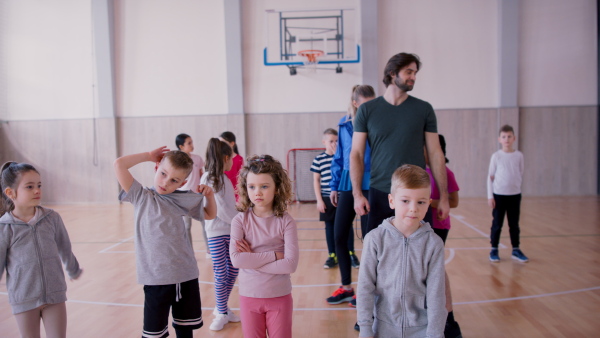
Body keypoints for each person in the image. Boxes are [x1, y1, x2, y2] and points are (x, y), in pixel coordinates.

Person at [114, 146, 217, 338]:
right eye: (163, 174)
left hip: (185, 274)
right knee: (154, 333)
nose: (165, 182)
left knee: (185, 328)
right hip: (155, 278)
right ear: (156, 169)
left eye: (174, 180)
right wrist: (148, 155)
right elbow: (119, 165)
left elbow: (210, 214)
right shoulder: (141, 196)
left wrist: (210, 197)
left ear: (182, 183)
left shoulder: (181, 200)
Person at [350, 53, 450, 237]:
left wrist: (444, 196)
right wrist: (357, 194)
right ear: (392, 73)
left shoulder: (424, 109)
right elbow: (356, 153)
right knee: (378, 255)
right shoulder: (367, 110)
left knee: (419, 253)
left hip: (416, 195)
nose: (413, 77)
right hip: (380, 192)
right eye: (409, 72)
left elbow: (436, 154)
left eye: (415, 73)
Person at [357, 165, 446, 338]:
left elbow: (436, 295)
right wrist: (365, 329)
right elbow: (365, 288)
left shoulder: (434, 244)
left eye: (420, 202)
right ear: (391, 201)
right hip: (382, 329)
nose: (413, 208)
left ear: (429, 203)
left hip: (422, 330)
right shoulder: (375, 239)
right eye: (405, 201)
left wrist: (435, 333)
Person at [0, 162, 83, 338]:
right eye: (29, 187)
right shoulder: (4, 227)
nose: (37, 190)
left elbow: (64, 246)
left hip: (55, 295)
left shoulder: (52, 218)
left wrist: (73, 268)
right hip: (24, 299)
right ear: (10, 193)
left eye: (39, 185)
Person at [230, 155, 299, 338]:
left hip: (279, 296)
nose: (257, 192)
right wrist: (275, 255)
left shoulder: (286, 222)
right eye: (252, 186)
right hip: (249, 296)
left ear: (277, 188)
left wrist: (251, 258)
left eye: (264, 186)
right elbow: (237, 260)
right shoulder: (239, 221)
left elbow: (290, 265)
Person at [326, 84, 375, 307]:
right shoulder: (344, 124)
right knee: (339, 236)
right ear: (356, 103)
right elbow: (339, 157)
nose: (371, 108)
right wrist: (334, 185)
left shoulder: (377, 124)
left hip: (371, 183)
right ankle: (346, 287)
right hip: (347, 182)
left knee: (369, 240)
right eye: (366, 104)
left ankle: (365, 291)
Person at [200, 138, 241, 331]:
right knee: (220, 271)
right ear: (225, 158)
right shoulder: (208, 178)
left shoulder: (224, 178)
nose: (233, 161)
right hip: (216, 232)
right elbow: (222, 210)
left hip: (230, 231)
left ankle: (221, 306)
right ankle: (222, 312)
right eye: (232, 157)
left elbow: (229, 206)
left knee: (233, 269)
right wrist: (240, 223)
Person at [425, 134, 463, 337]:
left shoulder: (445, 173)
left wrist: (429, 202)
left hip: (439, 226)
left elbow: (454, 201)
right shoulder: (419, 172)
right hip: (422, 226)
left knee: (436, 270)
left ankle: (448, 320)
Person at [311, 128, 358, 269]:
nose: (334, 144)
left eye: (337, 141)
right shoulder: (319, 159)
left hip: (343, 196)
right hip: (326, 197)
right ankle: (332, 254)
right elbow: (316, 181)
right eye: (331, 141)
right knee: (330, 226)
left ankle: (350, 253)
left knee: (347, 225)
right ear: (324, 142)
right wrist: (319, 200)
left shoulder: (344, 158)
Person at [487, 124, 528, 263]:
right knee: (497, 223)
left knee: (514, 224)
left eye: (509, 136)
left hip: (515, 195)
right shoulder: (496, 156)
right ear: (499, 139)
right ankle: (494, 249)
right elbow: (490, 176)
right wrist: (490, 195)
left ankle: (516, 249)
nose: (507, 139)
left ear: (514, 138)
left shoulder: (519, 156)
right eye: (504, 137)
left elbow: (520, 173)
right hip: (499, 195)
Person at [175, 133, 210, 256]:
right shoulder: (177, 161)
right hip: (183, 197)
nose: (192, 145)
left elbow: (202, 176)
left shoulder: (197, 159)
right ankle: (190, 252)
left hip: (198, 197)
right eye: (189, 143)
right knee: (186, 226)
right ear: (181, 146)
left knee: (205, 223)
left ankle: (209, 249)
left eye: (192, 142)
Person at [220, 131, 244, 202]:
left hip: (235, 192)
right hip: (223, 190)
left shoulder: (239, 159)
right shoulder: (220, 159)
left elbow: (241, 177)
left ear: (232, 143)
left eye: (223, 143)